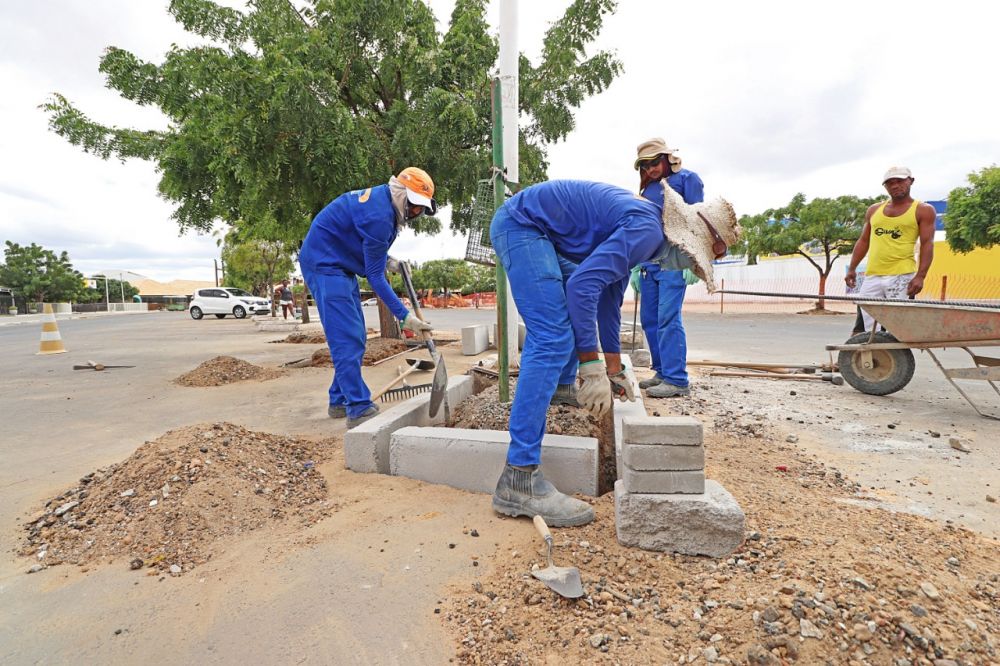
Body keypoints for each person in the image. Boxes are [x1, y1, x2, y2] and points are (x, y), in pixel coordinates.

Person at [489, 180, 694, 527]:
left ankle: (559, 387)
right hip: (522, 225)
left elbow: (608, 298)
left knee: (568, 315)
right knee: (551, 336)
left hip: (537, 231)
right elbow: (583, 287)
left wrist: (613, 369)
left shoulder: (645, 230)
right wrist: (591, 367)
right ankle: (519, 477)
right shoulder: (647, 232)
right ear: (685, 243)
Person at [299, 167, 437, 428]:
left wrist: (389, 260)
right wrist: (405, 317)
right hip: (324, 265)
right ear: (401, 193)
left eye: (421, 208)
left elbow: (365, 244)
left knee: (357, 337)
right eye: (415, 205)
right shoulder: (379, 216)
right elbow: (375, 277)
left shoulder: (384, 203)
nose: (416, 212)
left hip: (340, 263)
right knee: (347, 339)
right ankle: (358, 407)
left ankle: (338, 399)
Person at [630, 138, 704, 398]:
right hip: (649, 263)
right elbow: (642, 228)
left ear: (665, 158)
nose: (650, 169)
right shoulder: (647, 190)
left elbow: (697, 221)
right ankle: (662, 371)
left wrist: (692, 260)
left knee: (668, 318)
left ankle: (677, 379)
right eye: (644, 165)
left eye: (654, 162)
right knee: (650, 320)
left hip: (674, 262)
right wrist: (636, 266)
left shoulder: (687, 180)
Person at [845, 167, 936, 332]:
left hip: (901, 275)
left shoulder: (923, 210)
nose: (895, 186)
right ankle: (871, 348)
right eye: (890, 183)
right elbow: (864, 241)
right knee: (868, 324)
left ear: (911, 181)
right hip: (873, 275)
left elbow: (927, 244)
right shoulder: (874, 210)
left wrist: (920, 276)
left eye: (899, 181)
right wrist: (852, 268)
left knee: (896, 326)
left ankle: (897, 349)